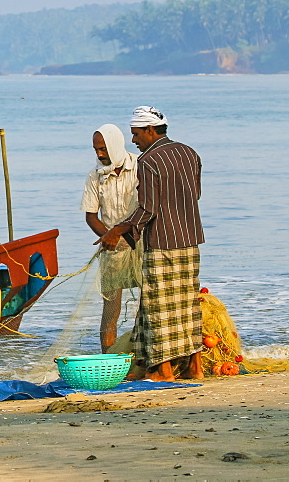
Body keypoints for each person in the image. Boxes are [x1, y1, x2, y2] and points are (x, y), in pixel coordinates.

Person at [97, 107, 205, 382]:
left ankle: (165, 371)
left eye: (136, 134)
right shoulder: (190, 153)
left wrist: (120, 229)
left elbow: (147, 209)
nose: (134, 141)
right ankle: (194, 367)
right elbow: (196, 194)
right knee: (186, 304)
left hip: (162, 242)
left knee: (160, 308)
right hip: (190, 239)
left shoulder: (149, 160)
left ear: (149, 131)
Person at [81, 123, 142, 352]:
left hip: (141, 243)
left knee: (147, 301)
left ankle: (144, 351)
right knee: (110, 306)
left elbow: (148, 207)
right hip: (112, 246)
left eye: (103, 149)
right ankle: (108, 354)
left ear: (115, 146)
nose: (99, 154)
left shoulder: (140, 166)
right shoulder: (95, 176)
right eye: (96, 149)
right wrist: (110, 237)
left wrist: (128, 235)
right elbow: (91, 216)